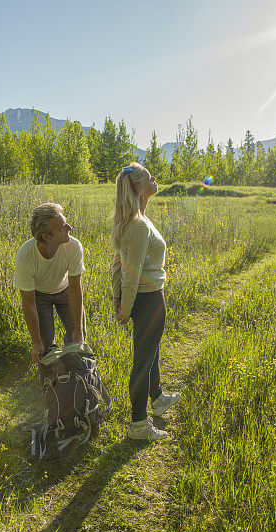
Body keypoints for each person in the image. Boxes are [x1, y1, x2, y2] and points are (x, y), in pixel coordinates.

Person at [111, 162, 181, 441]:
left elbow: (118, 264)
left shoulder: (136, 219)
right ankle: (138, 425)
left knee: (150, 352)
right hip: (148, 299)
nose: (156, 179)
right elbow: (130, 272)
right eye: (150, 178)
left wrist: (119, 299)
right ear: (139, 188)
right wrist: (123, 308)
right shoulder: (138, 227)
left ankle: (158, 399)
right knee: (143, 360)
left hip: (146, 297)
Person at [15, 203, 86, 364]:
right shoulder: (26, 256)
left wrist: (78, 329)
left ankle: (76, 382)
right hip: (40, 296)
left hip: (66, 291)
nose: (69, 227)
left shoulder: (74, 247)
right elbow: (28, 303)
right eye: (62, 227)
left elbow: (75, 288)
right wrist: (36, 341)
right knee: (45, 350)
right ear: (47, 237)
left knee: (77, 342)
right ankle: (52, 384)